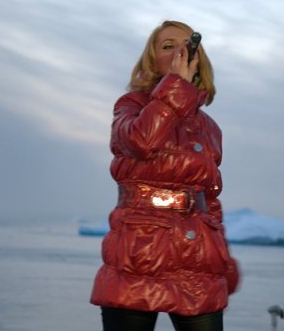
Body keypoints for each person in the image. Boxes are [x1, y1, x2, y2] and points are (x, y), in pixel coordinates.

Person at [91, 20, 240, 331]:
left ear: (198, 60)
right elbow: (141, 141)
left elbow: (210, 199)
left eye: (187, 47)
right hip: (137, 255)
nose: (179, 52)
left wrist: (223, 259)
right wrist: (176, 85)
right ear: (152, 60)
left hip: (198, 262)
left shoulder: (210, 128)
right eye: (168, 46)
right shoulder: (130, 105)